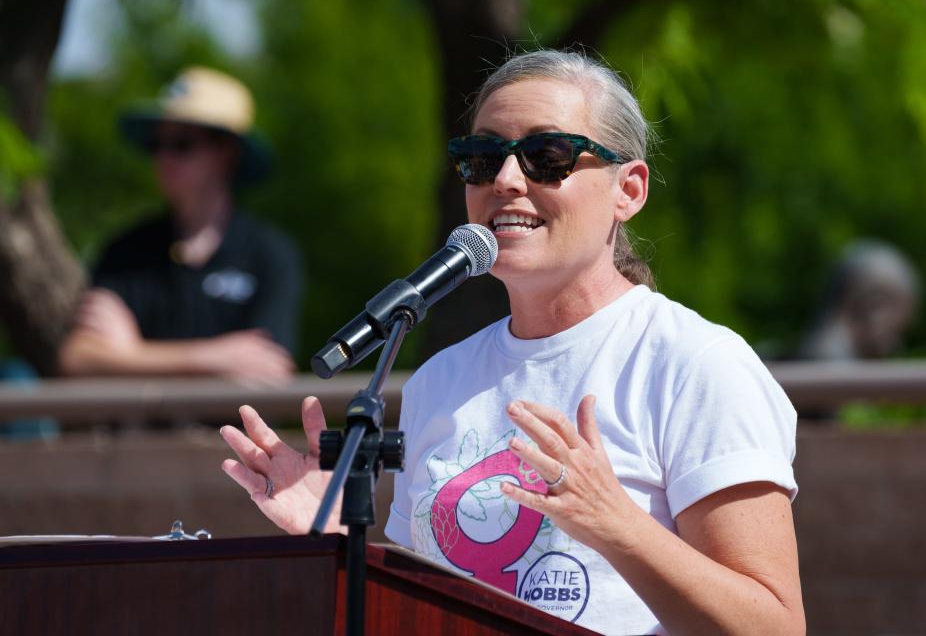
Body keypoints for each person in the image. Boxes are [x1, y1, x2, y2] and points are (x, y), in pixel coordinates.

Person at [220, 50, 804, 635]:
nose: (504, 180)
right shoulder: (438, 382)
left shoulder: (695, 364)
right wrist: (340, 543)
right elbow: (413, 612)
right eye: (481, 158)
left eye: (546, 157)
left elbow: (775, 629)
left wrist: (617, 524)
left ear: (628, 190)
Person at [59, 67, 302, 384]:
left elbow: (270, 369)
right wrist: (212, 357)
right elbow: (77, 358)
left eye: (182, 143)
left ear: (226, 154)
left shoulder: (270, 253)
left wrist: (129, 355)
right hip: (140, 435)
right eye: (157, 145)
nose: (164, 158)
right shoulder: (126, 250)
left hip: (232, 434)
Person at [797, 239, 920, 362]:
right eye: (896, 332)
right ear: (874, 305)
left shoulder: (815, 355)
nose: (896, 345)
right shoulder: (835, 369)